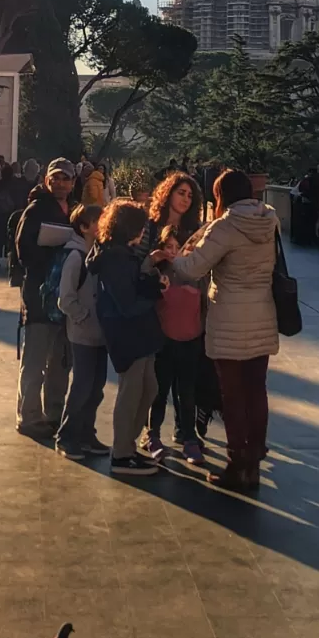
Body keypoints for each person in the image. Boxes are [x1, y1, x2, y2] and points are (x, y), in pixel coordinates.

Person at [170, 169, 280, 491]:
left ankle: (237, 463)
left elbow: (193, 268)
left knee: (232, 395)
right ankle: (254, 461)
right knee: (256, 390)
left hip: (229, 319)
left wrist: (172, 256)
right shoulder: (270, 220)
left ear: (221, 196)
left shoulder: (225, 226)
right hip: (262, 315)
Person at [91, 200, 168, 477]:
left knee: (148, 388)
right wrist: (154, 292)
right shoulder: (116, 258)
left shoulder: (120, 254)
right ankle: (122, 453)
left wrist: (150, 285)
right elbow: (127, 303)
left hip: (137, 331)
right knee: (132, 392)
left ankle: (127, 446)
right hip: (128, 331)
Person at [137, 171, 205, 462]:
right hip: (157, 313)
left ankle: (187, 432)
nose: (186, 199)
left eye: (190, 195)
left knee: (187, 379)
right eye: (181, 193)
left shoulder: (196, 230)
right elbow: (138, 264)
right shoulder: (150, 227)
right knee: (159, 380)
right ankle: (150, 432)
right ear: (168, 194)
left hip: (188, 313)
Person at [14, 158, 77, 437]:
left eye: (66, 178)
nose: (60, 183)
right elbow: (22, 250)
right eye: (56, 178)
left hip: (64, 295)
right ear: (46, 179)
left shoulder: (74, 211)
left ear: (73, 182)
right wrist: (53, 251)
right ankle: (28, 416)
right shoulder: (37, 208)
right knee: (36, 359)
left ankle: (54, 412)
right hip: (40, 294)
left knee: (60, 361)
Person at [54, 204, 110, 460]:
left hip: (99, 333)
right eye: (98, 221)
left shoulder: (98, 253)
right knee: (82, 386)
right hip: (83, 333)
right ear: (84, 227)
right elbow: (65, 298)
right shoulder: (76, 257)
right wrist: (83, 316)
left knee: (96, 387)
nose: (103, 224)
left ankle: (87, 434)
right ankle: (67, 436)